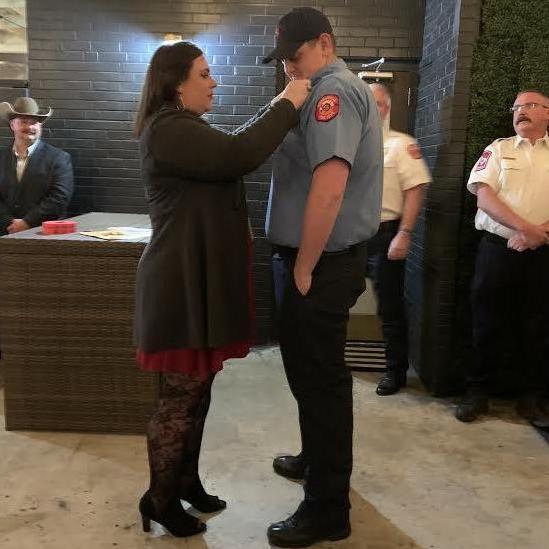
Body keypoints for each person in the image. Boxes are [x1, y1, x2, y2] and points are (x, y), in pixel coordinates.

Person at [133, 40, 310, 538]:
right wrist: (287, 100)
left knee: (199, 393)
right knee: (178, 398)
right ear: (176, 82)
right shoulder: (168, 129)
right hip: (178, 284)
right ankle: (159, 497)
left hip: (196, 280)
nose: (214, 82)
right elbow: (238, 153)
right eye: (205, 74)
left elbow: (232, 148)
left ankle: (185, 480)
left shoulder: (186, 129)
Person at [263, 8, 383, 547]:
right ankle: (317, 461)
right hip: (315, 260)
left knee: (323, 383)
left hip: (322, 263)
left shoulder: (333, 93)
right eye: (285, 60)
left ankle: (327, 508)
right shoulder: (317, 87)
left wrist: (306, 265)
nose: (290, 67)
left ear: (325, 44)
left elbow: (330, 187)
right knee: (311, 378)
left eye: (296, 56)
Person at [456, 89, 549, 423]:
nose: (520, 111)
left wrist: (538, 237)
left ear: (547, 112)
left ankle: (531, 398)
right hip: (497, 251)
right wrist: (527, 230)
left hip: (542, 256)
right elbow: (484, 198)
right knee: (485, 324)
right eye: (516, 107)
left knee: (538, 326)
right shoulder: (498, 149)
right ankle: (477, 393)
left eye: (529, 106)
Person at [368, 83, 431, 396]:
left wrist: (404, 234)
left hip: (385, 234)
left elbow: (415, 190)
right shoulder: (347, 142)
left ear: (387, 108)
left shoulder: (401, 145)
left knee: (389, 307)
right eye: (368, 102)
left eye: (379, 103)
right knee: (335, 301)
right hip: (348, 235)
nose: (374, 107)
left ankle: (395, 372)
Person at [0, 97, 74, 235]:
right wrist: (9, 223)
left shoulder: (59, 158)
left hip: (43, 235)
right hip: (4, 233)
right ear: (12, 125)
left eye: (34, 123)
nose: (30, 127)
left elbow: (59, 198)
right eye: (23, 122)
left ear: (40, 126)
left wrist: (27, 222)